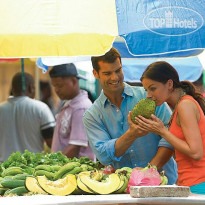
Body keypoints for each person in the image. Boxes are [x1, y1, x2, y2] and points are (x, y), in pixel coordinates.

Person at [82, 48, 178, 184]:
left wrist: (149, 171)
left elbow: (170, 138)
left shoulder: (149, 96)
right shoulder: (92, 115)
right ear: (95, 74)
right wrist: (131, 134)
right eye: (107, 73)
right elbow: (103, 155)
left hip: (164, 185)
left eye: (118, 70)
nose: (115, 77)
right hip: (125, 191)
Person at [135, 61, 205, 194]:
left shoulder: (185, 105)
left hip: (199, 184)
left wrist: (162, 131)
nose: (148, 95)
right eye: (146, 90)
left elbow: (196, 153)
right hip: (189, 184)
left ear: (169, 84)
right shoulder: (179, 106)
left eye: (153, 88)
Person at [0, 72, 55, 162]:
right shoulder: (41, 108)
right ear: (30, 87)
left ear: (12, 89)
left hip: (4, 169)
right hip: (33, 169)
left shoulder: (1, 109)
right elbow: (52, 143)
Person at [49, 63, 95, 161]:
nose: (56, 90)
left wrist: (52, 163)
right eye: (54, 86)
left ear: (74, 81)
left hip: (77, 172)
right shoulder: (69, 103)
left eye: (60, 86)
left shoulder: (81, 108)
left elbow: (75, 146)